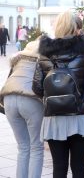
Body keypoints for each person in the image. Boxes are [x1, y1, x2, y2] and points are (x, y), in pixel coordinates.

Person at [32, 10, 84, 178]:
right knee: (79, 169)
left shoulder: (44, 54)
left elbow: (37, 88)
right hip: (80, 116)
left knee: (59, 168)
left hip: (54, 118)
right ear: (75, 28)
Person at [0, 39, 44, 178]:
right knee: (36, 147)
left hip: (8, 100)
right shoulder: (43, 61)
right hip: (30, 100)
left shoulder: (17, 61)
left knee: (23, 147)